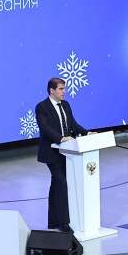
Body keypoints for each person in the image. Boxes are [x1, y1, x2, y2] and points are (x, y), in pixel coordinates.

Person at [35, 77, 87, 232]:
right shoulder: (42, 107)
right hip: (51, 152)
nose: (64, 92)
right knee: (61, 183)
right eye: (61, 89)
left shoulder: (66, 105)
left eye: (64, 89)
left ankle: (53, 221)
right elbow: (45, 129)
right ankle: (63, 223)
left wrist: (87, 133)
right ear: (52, 90)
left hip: (67, 152)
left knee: (56, 184)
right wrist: (61, 138)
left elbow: (73, 124)